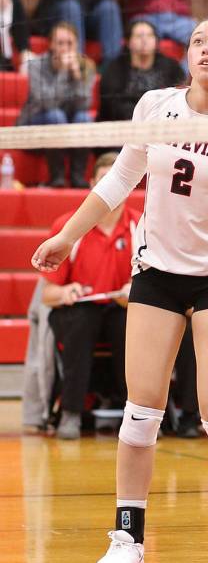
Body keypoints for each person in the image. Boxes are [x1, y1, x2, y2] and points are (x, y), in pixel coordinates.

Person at [30, 15, 208, 563]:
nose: (205, 48)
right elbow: (117, 180)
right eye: (198, 40)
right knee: (142, 409)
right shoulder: (154, 106)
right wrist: (66, 236)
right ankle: (127, 538)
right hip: (154, 272)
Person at [41, 153, 136, 440]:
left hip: (122, 307)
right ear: (93, 184)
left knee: (130, 326)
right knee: (81, 322)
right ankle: (70, 412)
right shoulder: (68, 226)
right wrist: (65, 292)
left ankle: (136, 415)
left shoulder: (140, 225)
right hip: (80, 310)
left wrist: (136, 290)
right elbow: (47, 294)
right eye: (104, 180)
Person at [16, 21, 95, 188]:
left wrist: (76, 75)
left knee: (84, 117)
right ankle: (56, 177)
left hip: (67, 130)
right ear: (51, 44)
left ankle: (77, 177)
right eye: (60, 43)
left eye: (70, 43)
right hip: (34, 126)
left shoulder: (86, 66)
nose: (65, 48)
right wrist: (62, 72)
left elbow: (85, 104)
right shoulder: (36, 65)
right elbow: (47, 102)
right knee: (55, 115)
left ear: (77, 45)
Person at [97, 19, 185, 125]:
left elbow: (180, 97)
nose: (144, 40)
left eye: (149, 36)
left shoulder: (171, 66)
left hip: (163, 124)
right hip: (123, 127)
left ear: (156, 41)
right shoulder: (114, 68)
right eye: (139, 36)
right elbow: (111, 106)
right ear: (128, 42)